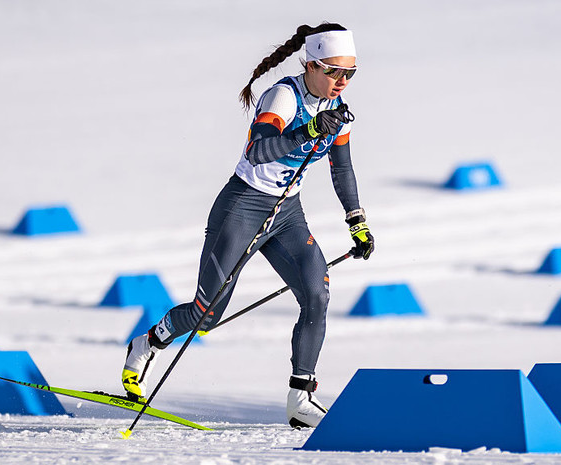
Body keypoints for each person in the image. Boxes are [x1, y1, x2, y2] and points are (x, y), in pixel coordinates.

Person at [121, 22, 374, 429]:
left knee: (317, 294)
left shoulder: (338, 111)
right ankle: (148, 342)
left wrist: (356, 221)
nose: (341, 81)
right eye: (333, 71)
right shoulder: (283, 97)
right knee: (207, 316)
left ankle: (301, 398)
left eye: (350, 74)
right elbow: (259, 151)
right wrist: (307, 130)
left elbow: (341, 168)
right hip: (242, 208)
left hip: (287, 214)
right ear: (309, 64)